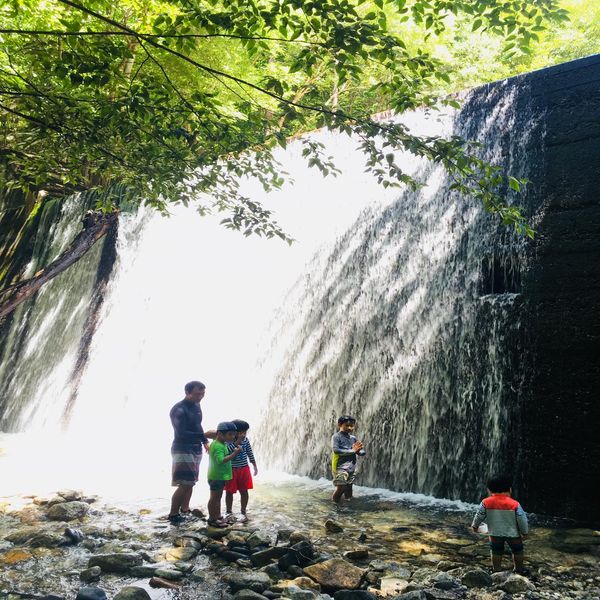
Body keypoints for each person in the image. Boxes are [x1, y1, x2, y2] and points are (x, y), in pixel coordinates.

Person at [168, 381, 210, 525]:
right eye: (198, 394)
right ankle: (173, 514)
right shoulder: (178, 409)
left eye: (203, 393)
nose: (201, 396)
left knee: (191, 482)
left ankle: (185, 510)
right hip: (182, 448)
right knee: (184, 483)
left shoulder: (197, 405)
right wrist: (204, 435)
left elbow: (198, 425)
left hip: (195, 447)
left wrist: (205, 441)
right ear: (187, 392)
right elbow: (181, 432)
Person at [471, 474, 529, 574]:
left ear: (489, 490)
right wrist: (524, 532)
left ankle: (496, 569)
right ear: (510, 490)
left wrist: (475, 526)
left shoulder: (486, 502)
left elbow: (479, 515)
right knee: (517, 550)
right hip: (513, 534)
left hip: (495, 533)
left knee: (496, 551)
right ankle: (519, 568)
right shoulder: (515, 504)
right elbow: (522, 519)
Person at [207, 421, 242, 527]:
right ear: (220, 434)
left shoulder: (221, 444)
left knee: (218, 497)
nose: (233, 437)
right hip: (216, 477)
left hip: (220, 476)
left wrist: (227, 477)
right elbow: (221, 460)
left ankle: (217, 516)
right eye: (230, 434)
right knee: (214, 498)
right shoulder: (218, 446)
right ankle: (212, 519)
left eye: (234, 434)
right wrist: (234, 453)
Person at [224, 419, 258, 523]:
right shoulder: (228, 441)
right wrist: (237, 442)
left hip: (244, 469)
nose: (243, 434)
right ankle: (228, 511)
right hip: (231, 469)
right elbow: (227, 451)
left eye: (245, 432)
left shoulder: (246, 440)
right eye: (241, 432)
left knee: (244, 491)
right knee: (229, 491)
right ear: (234, 432)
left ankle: (243, 511)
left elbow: (249, 452)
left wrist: (254, 465)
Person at [331, 415, 366, 503]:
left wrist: (358, 452)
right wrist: (353, 451)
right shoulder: (336, 437)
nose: (350, 428)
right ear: (340, 424)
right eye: (347, 425)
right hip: (340, 467)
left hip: (351, 467)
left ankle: (348, 503)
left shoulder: (353, 438)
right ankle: (335, 503)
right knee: (341, 487)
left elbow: (362, 451)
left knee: (349, 487)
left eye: (352, 426)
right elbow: (336, 450)